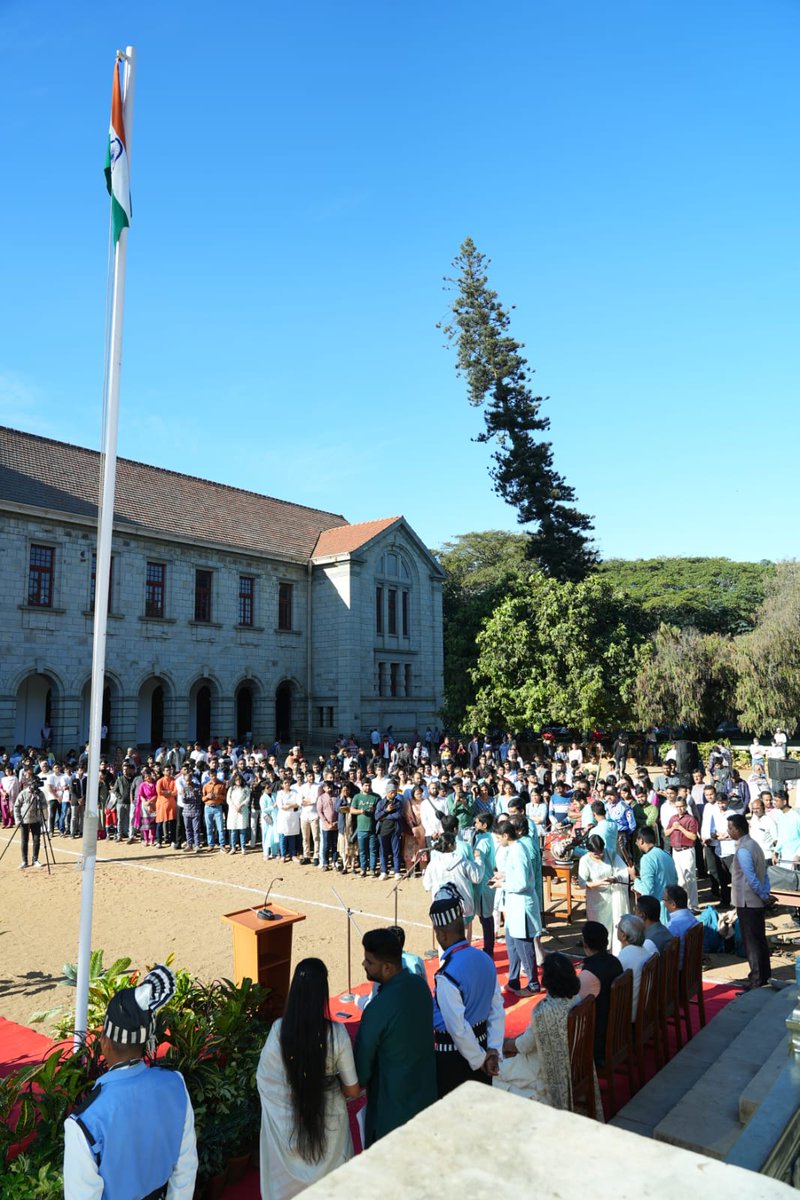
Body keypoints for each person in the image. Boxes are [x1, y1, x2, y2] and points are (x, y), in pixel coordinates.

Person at [63, 965, 197, 1200]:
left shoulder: (85, 1121)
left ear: (105, 1042)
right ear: (147, 1041)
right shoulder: (175, 1085)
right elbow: (185, 1169)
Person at [257, 959, 360, 1200]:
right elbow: (353, 1090)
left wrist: (293, 1094)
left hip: (289, 1122)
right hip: (331, 1119)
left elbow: (266, 1079)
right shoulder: (337, 1034)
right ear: (323, 993)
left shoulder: (278, 1031)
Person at [354, 928, 437, 1145]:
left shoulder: (377, 1009)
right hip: (425, 1097)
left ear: (388, 968)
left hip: (390, 1111)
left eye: (369, 962)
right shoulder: (420, 987)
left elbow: (361, 1073)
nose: (364, 965)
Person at [428, 883, 505, 1097]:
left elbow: (458, 1028)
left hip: (453, 1058)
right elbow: (497, 1007)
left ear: (441, 935)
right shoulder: (485, 959)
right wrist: (493, 1050)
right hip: (484, 1045)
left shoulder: (447, 975)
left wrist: (479, 1059)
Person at [494, 952, 580, 1108]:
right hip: (572, 1062)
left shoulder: (544, 1011)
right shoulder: (578, 999)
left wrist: (504, 1043)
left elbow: (523, 1046)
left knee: (494, 1074)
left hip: (543, 1071)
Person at [728, 813, 776, 991]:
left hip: (748, 902)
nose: (728, 831)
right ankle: (763, 976)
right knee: (759, 940)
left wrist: (764, 896)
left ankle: (757, 980)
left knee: (752, 944)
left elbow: (752, 879)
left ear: (738, 829)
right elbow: (764, 875)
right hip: (755, 901)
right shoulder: (754, 845)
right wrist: (766, 894)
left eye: (730, 828)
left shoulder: (744, 849)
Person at [578, 921, 623, 1064]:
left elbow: (574, 1008)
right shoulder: (615, 961)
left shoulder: (589, 975)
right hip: (617, 1029)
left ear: (585, 943)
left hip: (597, 1040)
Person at [577, 833, 631, 954]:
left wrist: (616, 878)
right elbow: (582, 883)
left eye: (601, 852)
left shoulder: (610, 853)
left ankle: (613, 953)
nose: (600, 855)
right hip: (596, 900)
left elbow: (623, 870)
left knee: (613, 926)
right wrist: (600, 882)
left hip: (612, 898)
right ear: (589, 851)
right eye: (596, 853)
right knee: (598, 930)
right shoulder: (585, 860)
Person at [632, 828, 678, 924]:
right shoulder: (666, 854)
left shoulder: (646, 859)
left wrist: (635, 880)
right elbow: (675, 879)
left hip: (658, 912)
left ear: (641, 840)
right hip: (672, 907)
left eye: (636, 841)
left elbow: (647, 891)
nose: (636, 844)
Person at [616, 913, 657, 1019]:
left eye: (618, 928)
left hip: (630, 1014)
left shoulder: (622, 959)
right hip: (645, 1008)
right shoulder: (645, 952)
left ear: (624, 935)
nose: (616, 929)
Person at [664, 795, 699, 909]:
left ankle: (693, 905)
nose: (680, 809)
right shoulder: (673, 818)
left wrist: (680, 828)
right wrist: (674, 828)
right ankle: (682, 905)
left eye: (682, 806)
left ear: (686, 806)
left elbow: (693, 837)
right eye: (678, 807)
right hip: (676, 851)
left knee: (690, 879)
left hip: (687, 850)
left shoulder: (690, 819)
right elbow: (666, 833)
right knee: (680, 880)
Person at [13, 770, 47, 868]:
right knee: (24, 840)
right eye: (34, 784)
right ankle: (24, 861)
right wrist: (18, 820)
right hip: (24, 820)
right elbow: (17, 806)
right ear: (30, 784)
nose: (35, 786)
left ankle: (35, 859)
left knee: (37, 840)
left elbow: (44, 805)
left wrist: (44, 818)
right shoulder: (23, 793)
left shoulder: (40, 794)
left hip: (36, 820)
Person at [664, 885, 699, 968]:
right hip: (692, 967)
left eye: (664, 900)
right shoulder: (693, 918)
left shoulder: (672, 927)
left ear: (673, 904)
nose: (663, 903)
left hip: (678, 971)